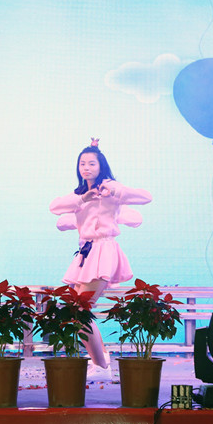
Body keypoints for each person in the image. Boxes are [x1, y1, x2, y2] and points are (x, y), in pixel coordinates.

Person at [50, 138, 152, 379]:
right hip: (86, 253)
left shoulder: (111, 189)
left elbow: (145, 197)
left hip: (104, 250)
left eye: (91, 163)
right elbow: (55, 207)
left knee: (80, 311)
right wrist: (82, 199)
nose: (86, 168)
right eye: (82, 163)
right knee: (77, 311)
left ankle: (102, 367)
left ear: (101, 166)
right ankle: (101, 359)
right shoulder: (80, 194)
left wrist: (114, 191)